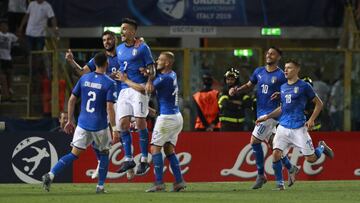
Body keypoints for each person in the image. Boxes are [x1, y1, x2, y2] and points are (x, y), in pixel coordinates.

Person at [41, 52, 118, 193]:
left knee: (73, 154)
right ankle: (100, 186)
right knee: (105, 153)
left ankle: (50, 174)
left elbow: (71, 100)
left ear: (94, 64)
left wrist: (70, 120)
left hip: (82, 124)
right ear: (107, 64)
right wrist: (114, 127)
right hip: (99, 126)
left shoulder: (84, 79)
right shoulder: (109, 83)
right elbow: (109, 107)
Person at [256, 59, 334, 190]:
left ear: (297, 70)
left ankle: (321, 147)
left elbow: (319, 103)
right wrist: (267, 117)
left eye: (289, 68)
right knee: (276, 153)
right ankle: (280, 185)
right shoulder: (283, 87)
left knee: (311, 159)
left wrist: (311, 119)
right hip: (283, 127)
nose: (285, 70)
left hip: (299, 128)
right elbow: (282, 108)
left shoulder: (304, 86)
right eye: (285, 68)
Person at [116, 52, 186, 192]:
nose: (157, 61)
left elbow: (144, 90)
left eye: (160, 60)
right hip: (176, 117)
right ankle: (179, 181)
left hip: (166, 119)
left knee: (154, 149)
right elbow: (156, 78)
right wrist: (148, 72)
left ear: (167, 63)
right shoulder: (172, 74)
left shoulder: (163, 79)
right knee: (169, 149)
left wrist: (126, 81)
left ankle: (159, 183)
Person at [229, 47, 297, 189]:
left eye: (272, 53)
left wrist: (281, 94)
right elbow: (250, 84)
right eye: (268, 53)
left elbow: (291, 90)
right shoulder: (258, 71)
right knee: (274, 146)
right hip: (260, 112)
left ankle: (261, 175)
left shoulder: (281, 75)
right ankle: (290, 168)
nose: (268, 55)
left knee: (254, 141)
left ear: (278, 57)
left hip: (271, 114)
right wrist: (237, 89)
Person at [115, 18, 155, 175]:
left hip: (138, 88)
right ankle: (128, 159)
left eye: (124, 29)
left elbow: (151, 68)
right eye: (121, 28)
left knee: (139, 123)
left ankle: (144, 160)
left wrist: (150, 80)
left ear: (133, 32)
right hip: (124, 88)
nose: (122, 32)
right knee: (123, 124)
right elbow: (122, 67)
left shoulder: (143, 48)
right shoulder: (119, 49)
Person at [0, 20, 18, 102]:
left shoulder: (11, 36)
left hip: (8, 58)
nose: (4, 27)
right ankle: (6, 94)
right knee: (2, 77)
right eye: (3, 25)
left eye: (6, 25)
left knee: (9, 77)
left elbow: (18, 40)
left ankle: (9, 92)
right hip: (1, 59)